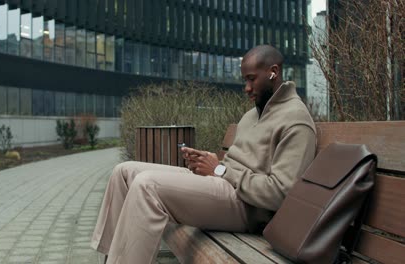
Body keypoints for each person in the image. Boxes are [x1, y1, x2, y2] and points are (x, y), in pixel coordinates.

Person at [90, 45, 317, 264]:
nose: (246, 87)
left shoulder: (296, 120)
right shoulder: (251, 115)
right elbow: (231, 166)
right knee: (124, 171)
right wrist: (208, 164)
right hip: (223, 187)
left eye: (251, 79)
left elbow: (281, 193)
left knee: (146, 185)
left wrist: (219, 169)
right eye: (245, 80)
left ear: (273, 72)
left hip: (248, 208)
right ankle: (112, 258)